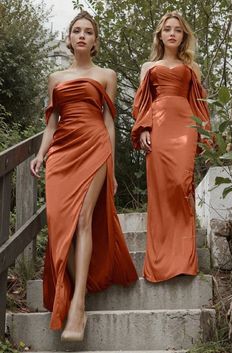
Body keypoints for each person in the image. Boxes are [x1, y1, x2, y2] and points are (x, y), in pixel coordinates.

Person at [30, 11, 138, 342]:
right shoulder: (54, 78)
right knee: (60, 222)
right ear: (69, 38)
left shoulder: (107, 74)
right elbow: (51, 124)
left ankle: (78, 305)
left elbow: (108, 124)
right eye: (76, 30)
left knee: (83, 221)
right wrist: (40, 154)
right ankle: (77, 291)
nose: (81, 35)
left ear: (95, 41)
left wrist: (112, 166)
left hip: (94, 148)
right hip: (61, 153)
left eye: (88, 32)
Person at [131, 11, 211, 283]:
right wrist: (143, 128)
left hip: (185, 126)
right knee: (161, 189)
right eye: (168, 29)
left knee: (181, 183)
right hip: (159, 127)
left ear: (183, 35)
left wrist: (203, 132)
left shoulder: (192, 69)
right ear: (160, 35)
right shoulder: (148, 67)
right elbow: (142, 104)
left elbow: (199, 103)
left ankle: (184, 258)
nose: (173, 33)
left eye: (178, 29)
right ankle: (164, 260)